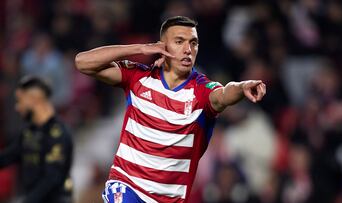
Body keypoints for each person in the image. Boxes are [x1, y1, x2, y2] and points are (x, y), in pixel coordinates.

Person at [75, 16, 266, 203]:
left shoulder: (201, 92)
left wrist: (242, 87)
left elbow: (224, 94)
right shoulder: (139, 77)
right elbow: (83, 62)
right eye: (179, 41)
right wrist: (139, 49)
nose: (188, 49)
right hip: (127, 186)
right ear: (162, 46)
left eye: (193, 43)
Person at [0, 76, 73, 203]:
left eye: (19, 100)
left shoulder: (58, 133)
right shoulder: (29, 132)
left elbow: (52, 178)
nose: (17, 107)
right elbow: (7, 157)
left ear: (33, 100)